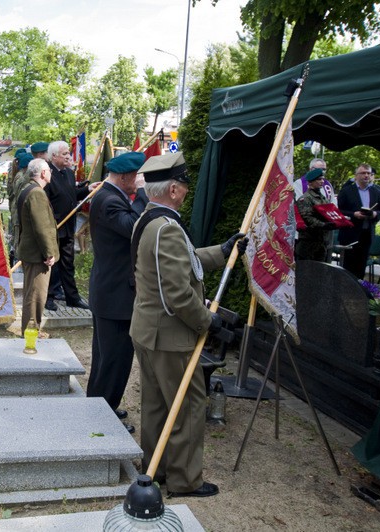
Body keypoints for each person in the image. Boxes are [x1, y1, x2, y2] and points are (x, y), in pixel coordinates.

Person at [130, 151, 245, 499]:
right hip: (169, 336)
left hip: (149, 330)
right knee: (189, 406)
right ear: (175, 190)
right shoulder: (166, 229)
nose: (186, 191)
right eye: (184, 185)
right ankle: (184, 479)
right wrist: (207, 321)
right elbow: (179, 293)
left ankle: (156, 467)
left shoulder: (151, 220)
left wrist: (223, 252)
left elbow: (186, 261)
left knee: (157, 406)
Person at [86, 152, 148, 434]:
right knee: (114, 357)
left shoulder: (109, 195)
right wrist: (145, 194)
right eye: (138, 177)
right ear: (125, 177)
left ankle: (102, 404)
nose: (139, 182)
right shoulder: (110, 200)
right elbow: (134, 227)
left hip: (110, 290)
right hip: (115, 294)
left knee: (106, 355)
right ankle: (103, 414)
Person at [44, 140, 94, 310]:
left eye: (68, 153)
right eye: (64, 154)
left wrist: (88, 189)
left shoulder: (69, 173)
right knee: (52, 263)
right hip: (54, 226)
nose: (68, 157)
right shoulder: (47, 173)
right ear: (53, 156)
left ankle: (72, 297)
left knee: (68, 262)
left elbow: (72, 194)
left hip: (68, 226)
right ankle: (48, 296)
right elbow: (44, 201)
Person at [17, 158, 59, 335]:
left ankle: (31, 330)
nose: (51, 173)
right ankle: (31, 332)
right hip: (37, 254)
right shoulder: (36, 193)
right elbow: (42, 227)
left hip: (31, 252)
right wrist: (49, 252)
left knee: (32, 294)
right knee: (36, 296)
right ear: (43, 173)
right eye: (49, 170)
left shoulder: (28, 188)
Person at [337, 163, 380, 279]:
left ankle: (359, 291)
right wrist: (354, 214)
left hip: (366, 234)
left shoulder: (376, 191)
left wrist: (374, 214)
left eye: (369, 173)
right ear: (356, 175)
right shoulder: (347, 191)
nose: (366, 176)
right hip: (350, 234)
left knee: (361, 266)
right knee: (348, 268)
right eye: (363, 173)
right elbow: (339, 211)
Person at [295, 168, 337, 262]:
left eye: (322, 179)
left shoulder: (323, 198)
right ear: (310, 182)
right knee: (306, 272)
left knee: (319, 271)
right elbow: (307, 217)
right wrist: (324, 225)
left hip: (321, 241)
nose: (322, 181)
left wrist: (337, 222)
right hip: (308, 242)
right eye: (318, 179)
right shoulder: (305, 198)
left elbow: (329, 212)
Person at [8, 152, 34, 264]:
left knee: (16, 235)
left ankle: (15, 257)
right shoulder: (22, 177)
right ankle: (18, 259)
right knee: (18, 236)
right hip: (17, 210)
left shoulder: (17, 174)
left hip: (15, 209)